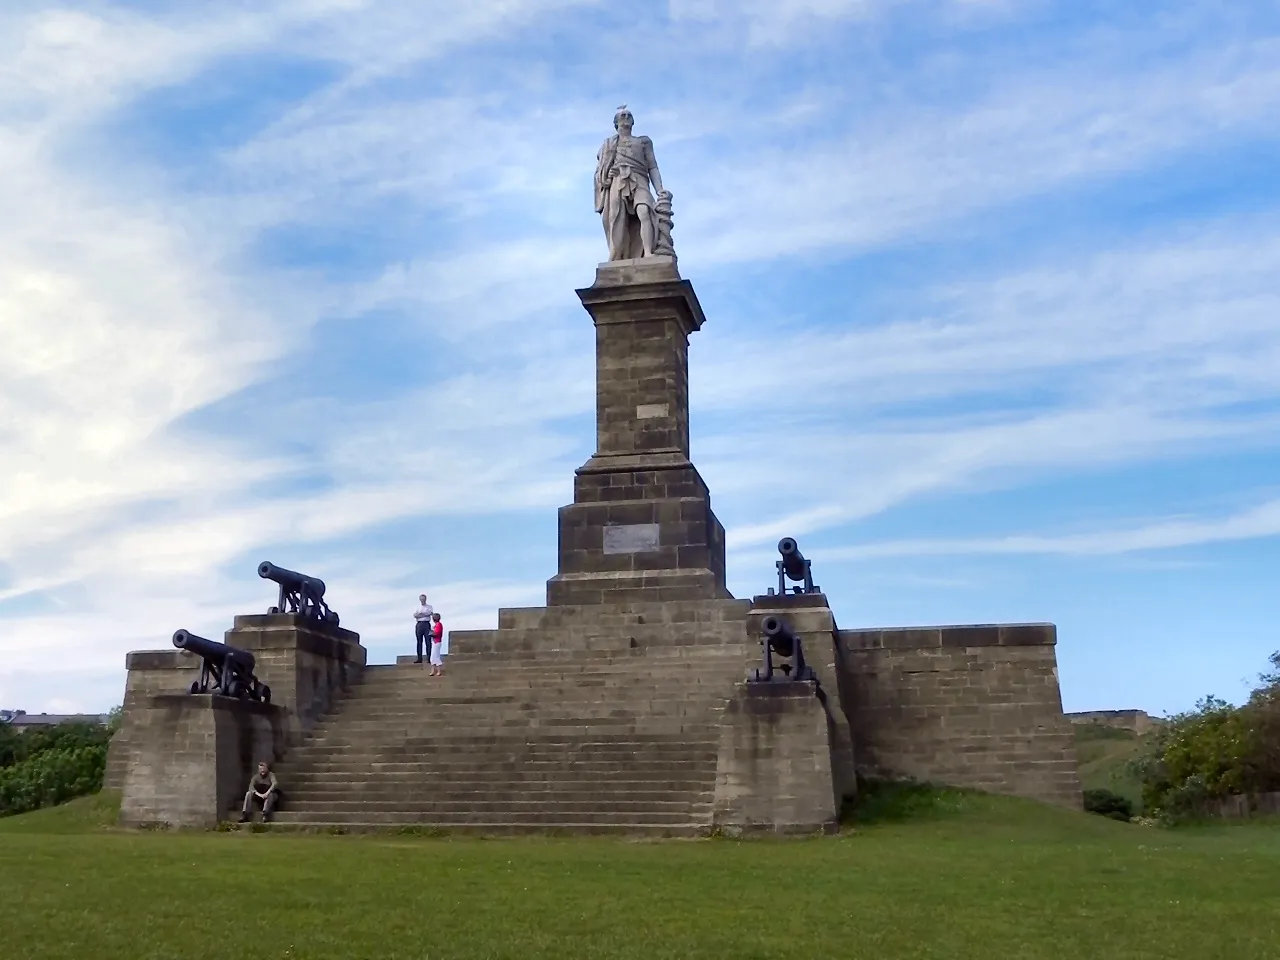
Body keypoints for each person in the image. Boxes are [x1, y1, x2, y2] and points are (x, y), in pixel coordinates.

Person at [413, 593, 434, 664]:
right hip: (419, 624)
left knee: (428, 642)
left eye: (423, 599)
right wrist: (421, 615)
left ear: (425, 599)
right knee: (419, 641)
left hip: (426, 624)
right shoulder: (417, 607)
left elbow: (430, 613)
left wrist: (421, 614)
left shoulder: (429, 606)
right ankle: (419, 658)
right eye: (421, 599)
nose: (422, 600)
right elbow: (415, 615)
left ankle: (429, 658)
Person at [428, 611, 445, 677]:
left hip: (437, 642)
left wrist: (431, 633)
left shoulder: (438, 625)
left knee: (436, 657)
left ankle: (438, 671)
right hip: (435, 642)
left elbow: (436, 633)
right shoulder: (436, 625)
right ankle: (433, 671)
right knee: (433, 657)